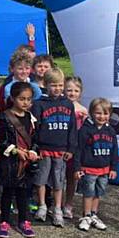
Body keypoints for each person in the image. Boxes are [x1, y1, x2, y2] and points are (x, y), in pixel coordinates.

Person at [31, 67, 77, 227]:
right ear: (46, 85)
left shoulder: (69, 104)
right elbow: (35, 128)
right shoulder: (39, 104)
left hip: (62, 149)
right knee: (41, 179)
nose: (57, 89)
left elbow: (72, 128)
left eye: (59, 85)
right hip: (45, 148)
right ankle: (42, 205)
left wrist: (71, 149)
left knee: (59, 181)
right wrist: (37, 147)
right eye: (53, 85)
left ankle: (58, 208)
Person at [0, 82, 38, 238]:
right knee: (8, 193)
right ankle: (4, 221)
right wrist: (15, 150)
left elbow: (34, 138)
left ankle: (24, 220)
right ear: (13, 98)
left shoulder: (31, 117)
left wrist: (33, 151)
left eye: (28, 99)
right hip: (10, 163)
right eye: (22, 99)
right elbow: (0, 141)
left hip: (26, 162)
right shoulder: (4, 117)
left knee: (24, 193)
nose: (25, 102)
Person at [74, 98, 118, 232]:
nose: (102, 116)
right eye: (98, 113)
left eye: (105, 114)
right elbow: (78, 149)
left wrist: (113, 167)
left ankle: (94, 214)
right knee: (88, 193)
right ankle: (86, 216)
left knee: (98, 193)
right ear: (92, 113)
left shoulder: (110, 131)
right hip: (89, 168)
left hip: (104, 169)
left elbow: (114, 150)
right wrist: (77, 168)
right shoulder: (85, 130)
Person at [63, 75, 89, 219]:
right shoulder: (61, 106)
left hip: (76, 148)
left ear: (80, 92)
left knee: (72, 178)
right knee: (59, 177)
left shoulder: (83, 110)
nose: (72, 93)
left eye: (76, 90)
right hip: (62, 145)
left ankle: (69, 204)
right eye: (69, 90)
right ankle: (57, 204)